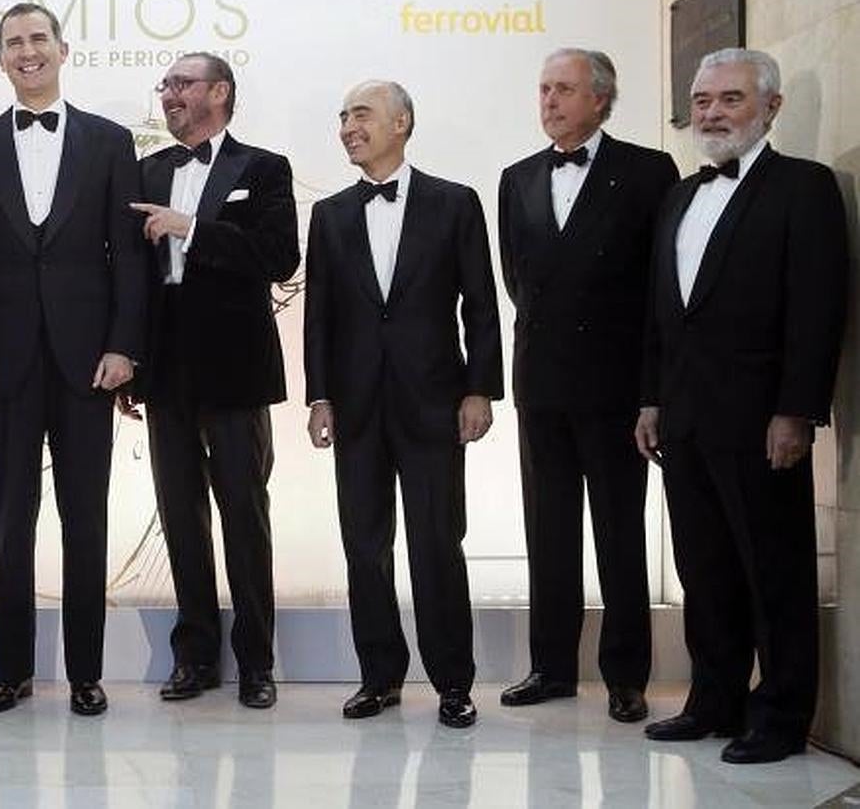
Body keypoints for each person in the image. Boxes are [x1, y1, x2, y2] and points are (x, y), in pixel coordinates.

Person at [636, 48, 847, 764]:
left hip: (762, 421)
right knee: (704, 570)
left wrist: (797, 410)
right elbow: (662, 313)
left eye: (729, 98)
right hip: (686, 418)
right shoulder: (679, 195)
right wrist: (651, 400)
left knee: (775, 571)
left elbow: (817, 312)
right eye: (701, 100)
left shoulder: (805, 188)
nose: (712, 113)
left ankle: (782, 715)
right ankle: (713, 699)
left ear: (770, 108)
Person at [0, 2, 146, 716]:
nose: (26, 52)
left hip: (90, 362)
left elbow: (128, 263)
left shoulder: (112, 142)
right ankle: (12, 672)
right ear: (0, 59)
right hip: (1, 369)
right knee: (9, 520)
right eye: (12, 43)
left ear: (63, 49)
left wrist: (125, 346)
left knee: (86, 519)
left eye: (37, 39)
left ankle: (86, 674)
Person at [304, 80, 502, 729]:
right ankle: (379, 677)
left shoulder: (455, 203)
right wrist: (321, 395)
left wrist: (479, 388)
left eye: (360, 114)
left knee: (438, 545)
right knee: (365, 546)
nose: (347, 127)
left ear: (402, 122)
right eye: (342, 117)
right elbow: (320, 317)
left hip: (435, 404)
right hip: (357, 406)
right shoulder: (329, 214)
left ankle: (453, 683)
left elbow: (480, 304)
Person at [497, 49, 679, 722]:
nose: (549, 101)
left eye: (564, 89)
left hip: (616, 386)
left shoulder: (647, 170)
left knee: (619, 532)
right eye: (543, 88)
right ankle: (550, 667)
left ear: (600, 98)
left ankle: (626, 675)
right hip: (541, 384)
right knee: (548, 532)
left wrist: (650, 389)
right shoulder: (515, 178)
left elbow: (659, 283)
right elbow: (519, 280)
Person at [123, 53, 298, 709]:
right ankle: (193, 658)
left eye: (181, 84)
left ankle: (257, 662)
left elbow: (279, 259)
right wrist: (128, 362)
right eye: (165, 86)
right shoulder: (148, 170)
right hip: (165, 369)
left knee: (244, 515)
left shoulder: (263, 168)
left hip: (235, 365)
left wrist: (192, 229)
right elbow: (133, 281)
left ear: (218, 92)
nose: (168, 95)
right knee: (180, 519)